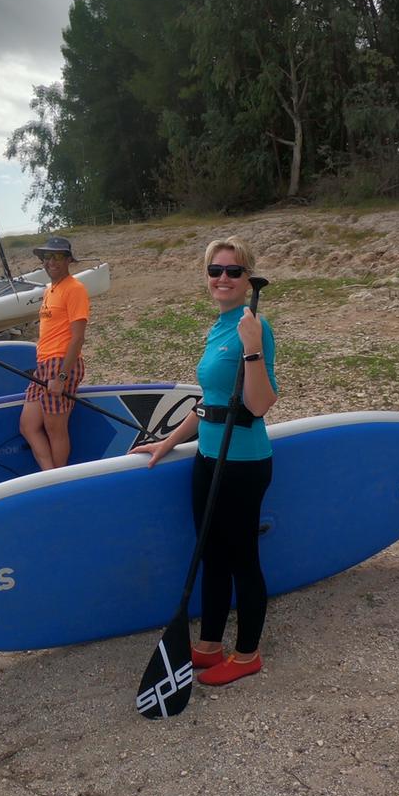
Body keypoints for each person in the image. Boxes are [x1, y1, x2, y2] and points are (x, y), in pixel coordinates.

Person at [137, 237, 277, 687]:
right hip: (209, 456)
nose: (222, 278)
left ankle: (248, 653)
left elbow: (258, 405)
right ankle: (212, 642)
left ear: (247, 277)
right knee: (211, 553)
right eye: (215, 271)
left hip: (243, 462)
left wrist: (253, 348)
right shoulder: (218, 327)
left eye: (233, 272)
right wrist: (166, 442)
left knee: (242, 559)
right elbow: (211, 403)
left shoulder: (253, 326)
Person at [19, 236, 91, 471]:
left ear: (69, 259)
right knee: (28, 426)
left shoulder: (75, 288)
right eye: (47, 257)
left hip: (61, 363)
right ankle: (50, 475)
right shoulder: (50, 290)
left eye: (57, 256)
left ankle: (57, 480)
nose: (51, 261)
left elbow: (78, 337)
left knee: (55, 429)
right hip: (44, 363)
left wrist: (61, 376)